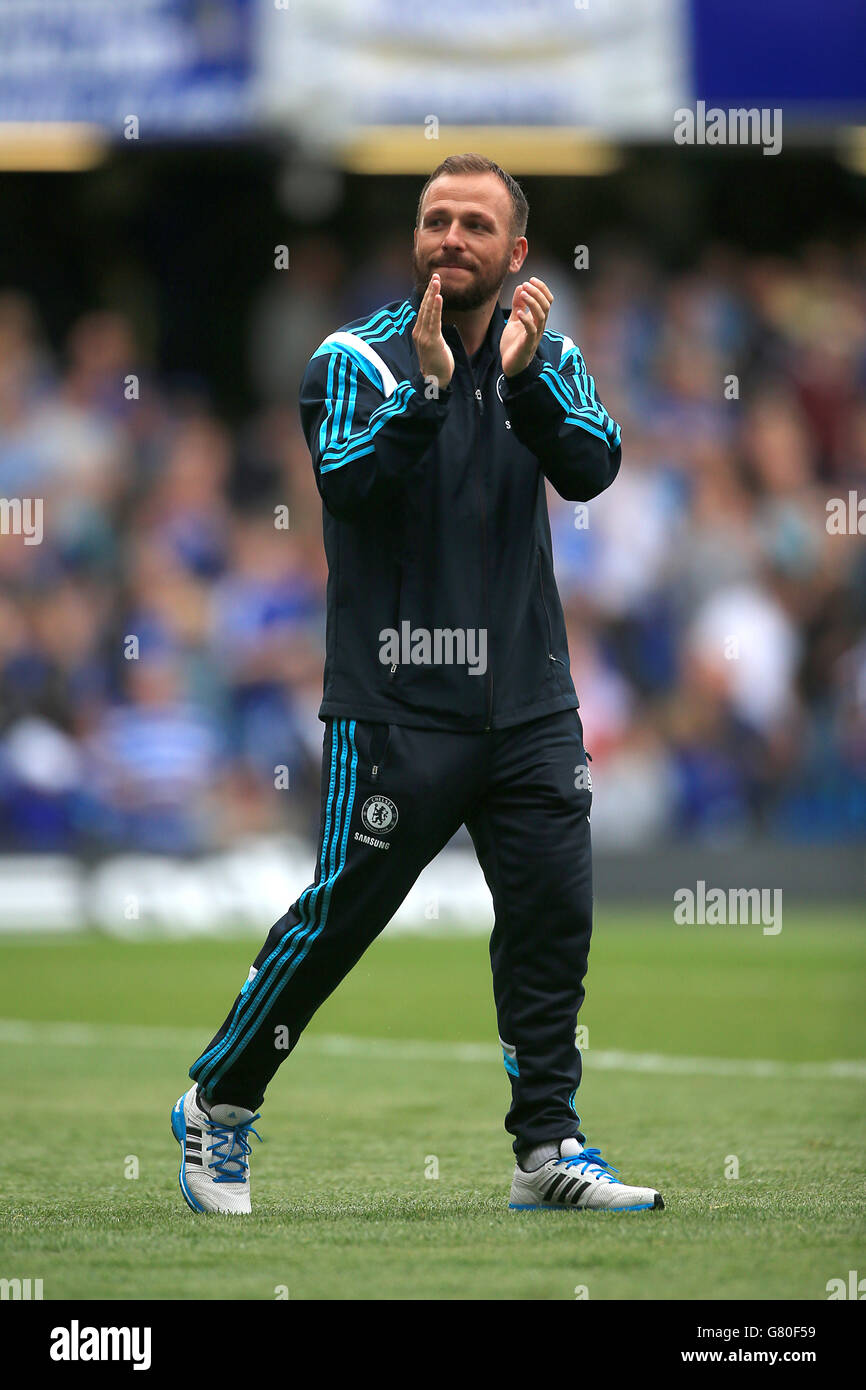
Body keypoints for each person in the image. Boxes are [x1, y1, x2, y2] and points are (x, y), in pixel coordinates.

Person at [171, 153, 663, 1216]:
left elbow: (594, 466)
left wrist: (523, 379)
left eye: (474, 224)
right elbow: (346, 482)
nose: (449, 236)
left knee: (550, 918)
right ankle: (219, 1101)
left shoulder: (548, 356)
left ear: (514, 252)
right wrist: (435, 388)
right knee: (339, 919)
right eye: (434, 218)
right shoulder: (354, 358)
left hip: (530, 701)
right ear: (415, 239)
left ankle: (547, 1144)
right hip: (399, 703)